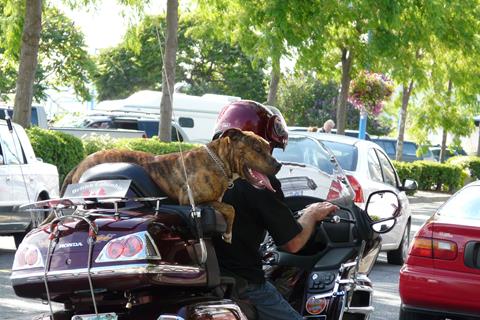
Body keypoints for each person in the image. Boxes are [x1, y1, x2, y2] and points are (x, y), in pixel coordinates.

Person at [212, 100, 338, 320]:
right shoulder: (256, 181)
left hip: (204, 278)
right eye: (266, 148)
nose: (270, 157)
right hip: (242, 283)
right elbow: (293, 243)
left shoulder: (199, 168)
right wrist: (312, 213)